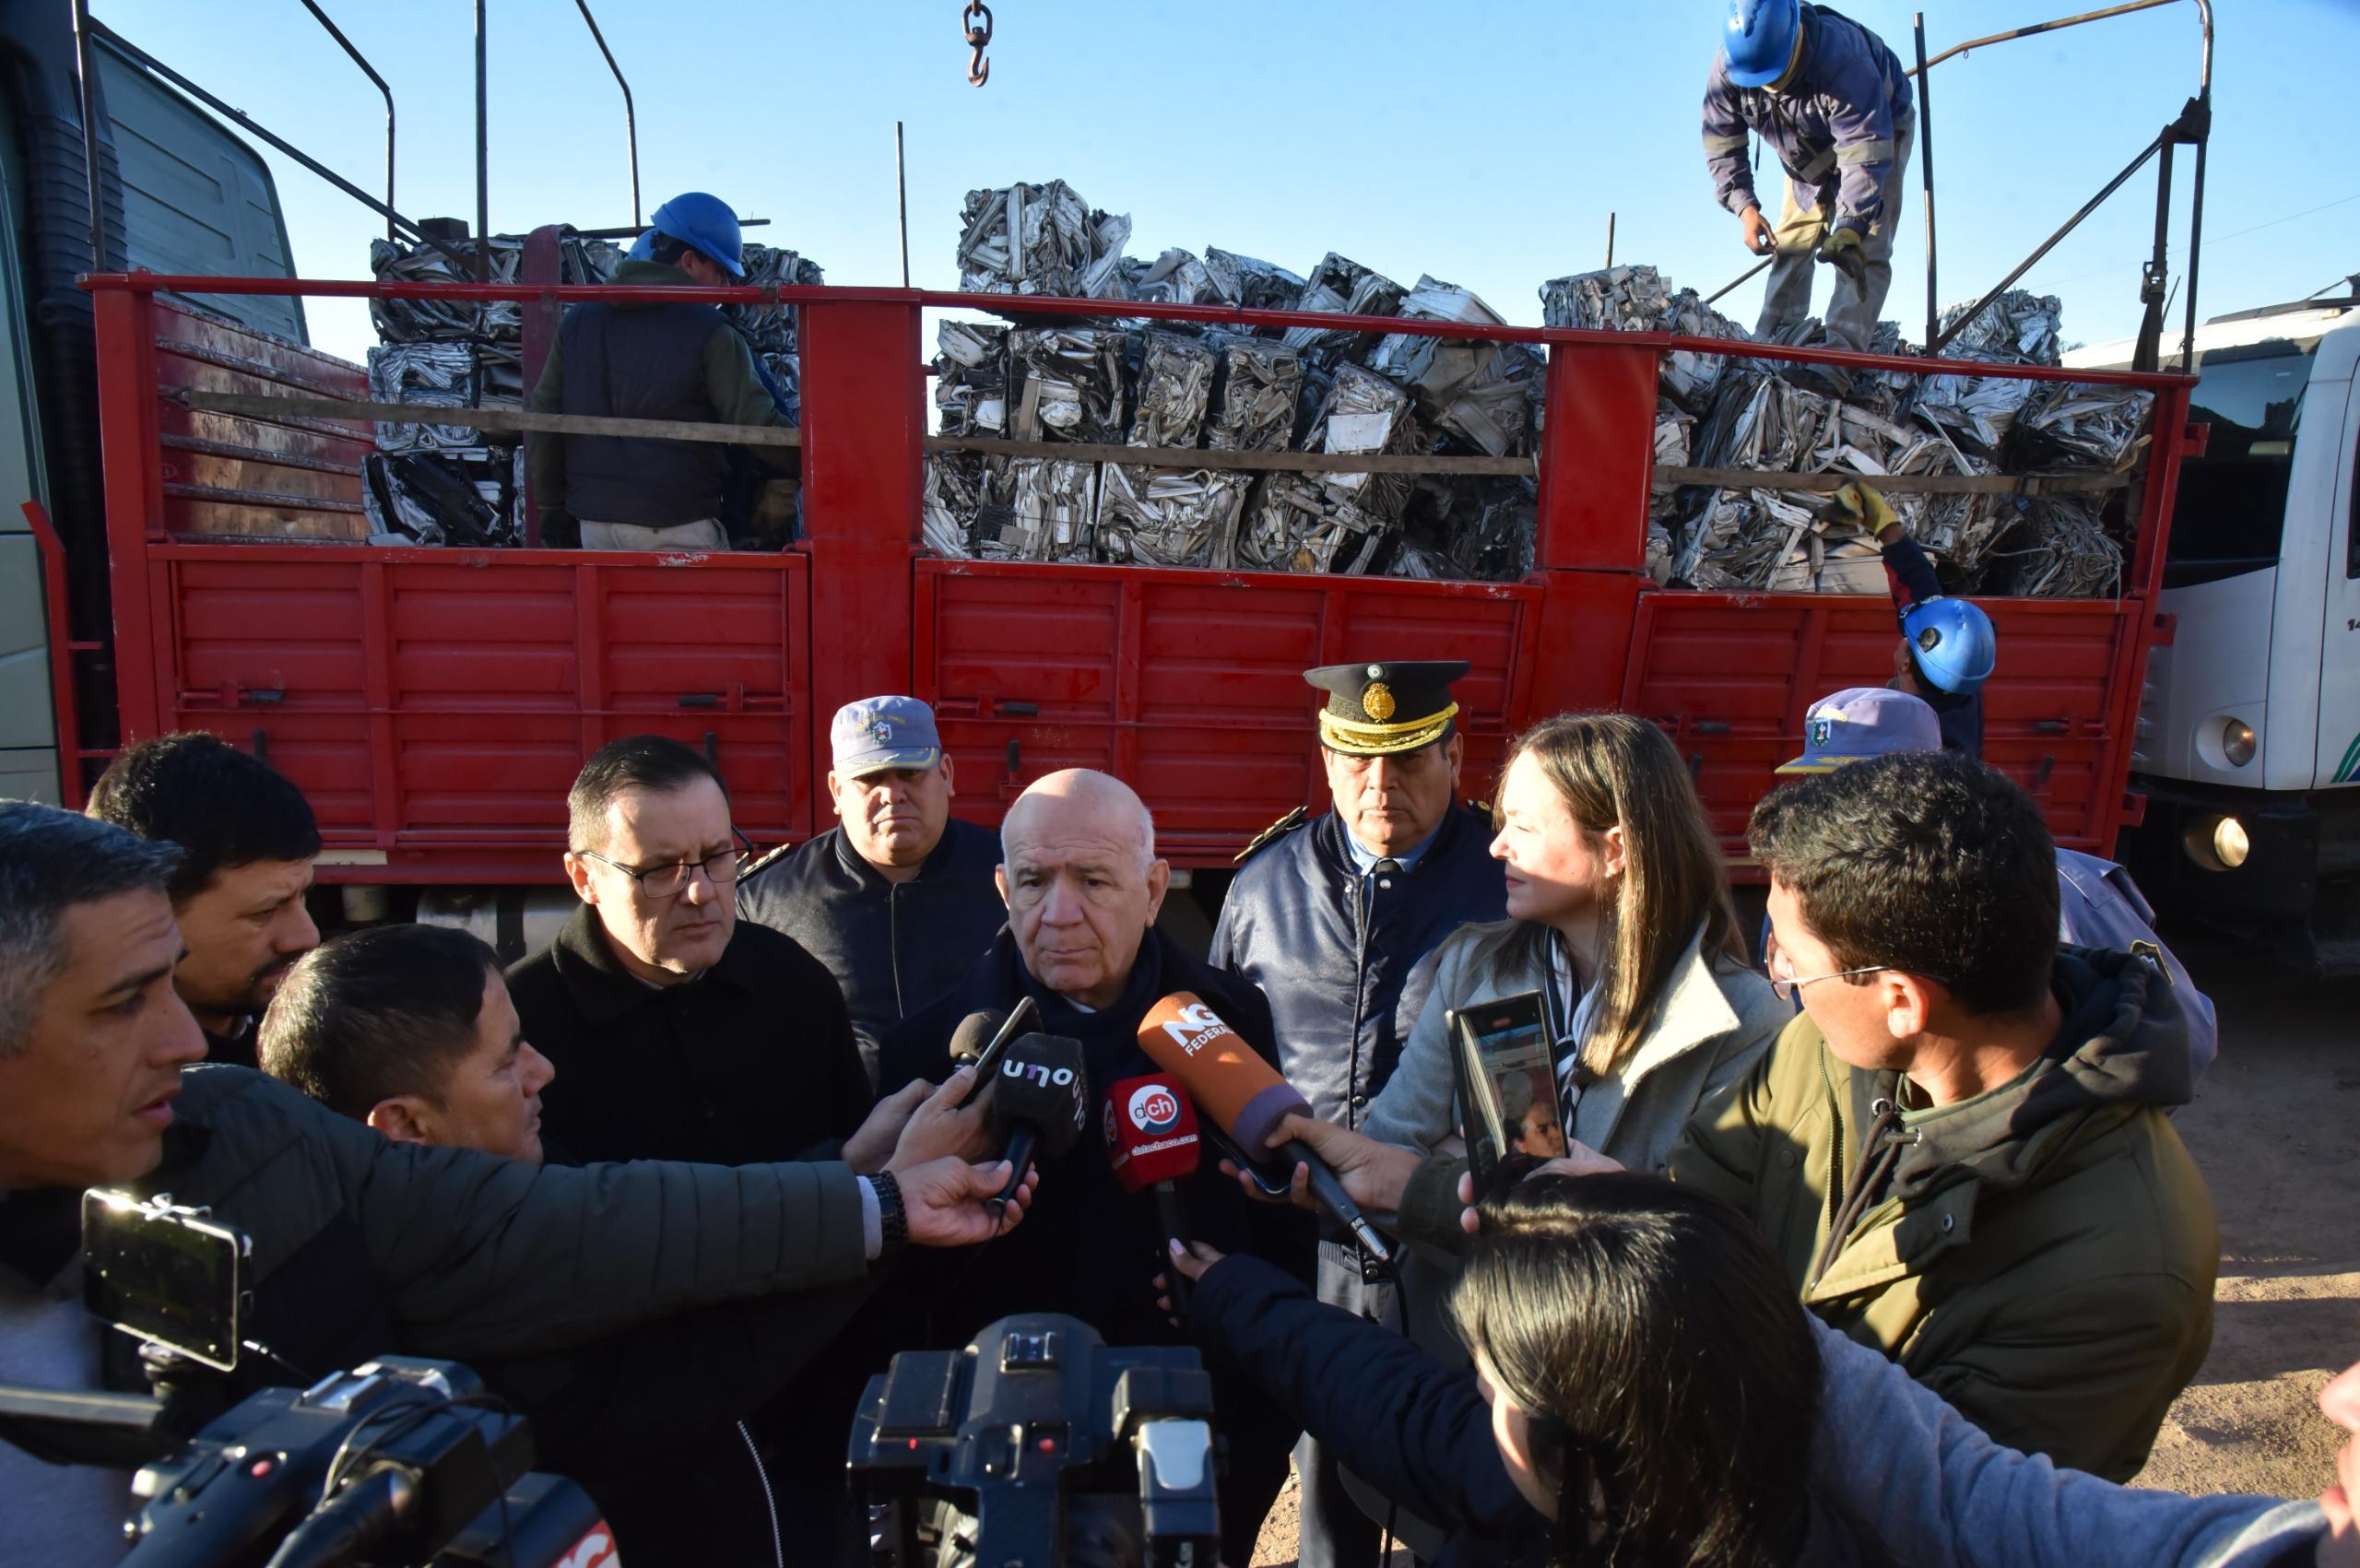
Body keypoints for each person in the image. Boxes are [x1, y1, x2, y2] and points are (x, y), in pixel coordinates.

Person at [0, 802, 1032, 1568]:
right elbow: (660, 1368)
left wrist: (865, 1192)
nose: (182, 1039)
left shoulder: (243, 1136)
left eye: (720, 856)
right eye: (124, 1003)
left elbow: (585, 1225)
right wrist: (876, 1205)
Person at [256, 923, 978, 1568]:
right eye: (508, 1063)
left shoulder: (486, 1193)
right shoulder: (453, 1322)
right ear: (405, 1126)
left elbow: (677, 1235)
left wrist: (849, 1169)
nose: (544, 1071)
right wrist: (889, 1210)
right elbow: (695, 1358)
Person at [1160, 1173, 2337, 1568]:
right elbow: (1400, 1408)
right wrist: (1238, 1299)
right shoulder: (1717, 1442)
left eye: (1490, 1377)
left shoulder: (1545, 1488)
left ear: (1550, 1428)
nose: (1472, 1395)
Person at [1666, 751, 2217, 1481]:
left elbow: (1916, 1511)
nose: (1783, 980)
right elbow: (1702, 1195)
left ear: (1902, 999)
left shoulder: (2122, 1276)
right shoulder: (1828, 1045)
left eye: (1793, 960)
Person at [876, 768, 1310, 1568]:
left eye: (1094, 880)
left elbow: (1283, 1245)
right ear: (1004, 888)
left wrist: (1245, 1449)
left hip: (1188, 1457)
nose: (1060, 911)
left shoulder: (1229, 1025)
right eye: (1036, 880)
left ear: (1152, 891)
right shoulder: (929, 1059)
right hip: (986, 1476)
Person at [1207, 658, 1507, 1568]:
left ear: (1456, 755)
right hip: (1308, 1247)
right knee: (1326, 1498)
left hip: (1456, 1252)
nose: (1381, 786)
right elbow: (1221, 1059)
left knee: (1470, 1496)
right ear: (1327, 759)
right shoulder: (1263, 888)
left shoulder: (1506, 896)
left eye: (1410, 758)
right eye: (1356, 759)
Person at [1362, 713, 1788, 1181]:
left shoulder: (1743, 1018)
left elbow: (1714, 1222)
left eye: (1523, 828)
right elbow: (1386, 1151)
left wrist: (1462, 1160)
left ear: (1615, 850)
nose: (1497, 847)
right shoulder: (1472, 967)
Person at [1779, 685, 2218, 1076]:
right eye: (1818, 787)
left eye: (1846, 789)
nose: (1825, 812)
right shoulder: (1847, 885)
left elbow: (2179, 1035)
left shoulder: (2002, 889)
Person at [507, 735, 871, 1167]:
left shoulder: (794, 982)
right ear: (585, 878)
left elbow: (857, 1161)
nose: (700, 892)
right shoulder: (516, 1027)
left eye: (717, 857)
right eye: (661, 870)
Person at [738, 696, 1007, 1085]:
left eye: (911, 773)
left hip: (990, 1132)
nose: (893, 794)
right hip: (840, 1140)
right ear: (835, 791)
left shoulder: (1015, 878)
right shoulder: (766, 901)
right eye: (870, 778)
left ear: (946, 775)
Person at [524, 191, 792, 551]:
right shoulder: (710, 330)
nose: (727, 288)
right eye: (723, 272)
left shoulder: (578, 321)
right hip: (678, 526)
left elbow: (544, 417)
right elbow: (754, 423)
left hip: (595, 527)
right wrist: (811, 457)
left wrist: (552, 507)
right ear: (690, 261)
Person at [83, 731, 321, 1067]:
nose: (307, 936)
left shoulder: (326, 1047)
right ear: (146, 913)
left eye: (303, 896)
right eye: (264, 911)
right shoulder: (108, 1090)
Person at [1704, 0, 1915, 370]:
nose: (1767, 85)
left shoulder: (1843, 60)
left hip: (1877, 132)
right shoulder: (1731, 68)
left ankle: (1837, 363)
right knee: (1794, 241)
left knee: (1863, 250)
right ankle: (1771, 347)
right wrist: (1745, 208)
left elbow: (1863, 151)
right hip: (1803, 149)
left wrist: (1850, 227)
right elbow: (1721, 141)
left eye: (1774, 75)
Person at [1831, 479, 1995, 755]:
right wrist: (1883, 524)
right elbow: (1921, 589)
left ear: (1906, 663)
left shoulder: (1914, 752)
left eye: (1907, 637)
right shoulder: (1959, 684)